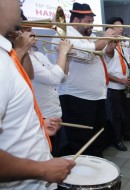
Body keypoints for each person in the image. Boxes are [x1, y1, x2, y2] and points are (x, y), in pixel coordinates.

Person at [0, 0, 75, 188]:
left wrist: (40, 124)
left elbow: (32, 75)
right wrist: (42, 170)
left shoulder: (7, 56)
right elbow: (53, 78)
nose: (20, 2)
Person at [50, 3, 116, 157]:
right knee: (81, 141)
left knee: (97, 137)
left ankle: (97, 169)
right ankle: (85, 175)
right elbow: (86, 54)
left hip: (96, 97)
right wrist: (106, 38)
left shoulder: (90, 36)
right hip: (76, 99)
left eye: (92, 22)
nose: (91, 25)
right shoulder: (63, 35)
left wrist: (110, 47)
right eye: (88, 22)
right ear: (76, 20)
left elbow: (102, 56)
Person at [105, 17, 130, 151]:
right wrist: (120, 80)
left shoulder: (124, 43)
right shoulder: (106, 44)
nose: (121, 28)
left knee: (127, 112)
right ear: (110, 29)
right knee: (116, 115)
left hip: (125, 84)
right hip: (114, 86)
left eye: (121, 26)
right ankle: (117, 140)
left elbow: (126, 62)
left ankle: (127, 134)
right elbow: (105, 71)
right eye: (118, 27)